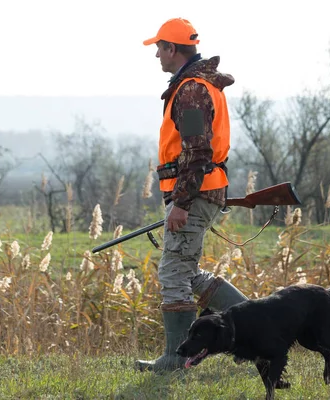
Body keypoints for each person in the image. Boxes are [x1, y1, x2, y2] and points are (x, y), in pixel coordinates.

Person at [135, 17, 248, 372]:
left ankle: (175, 359)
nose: (156, 55)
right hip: (202, 193)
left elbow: (197, 151)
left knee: (173, 275)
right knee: (188, 273)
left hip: (193, 196)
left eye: (159, 48)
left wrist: (181, 203)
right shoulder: (197, 86)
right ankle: (255, 326)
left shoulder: (192, 90)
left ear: (173, 48)